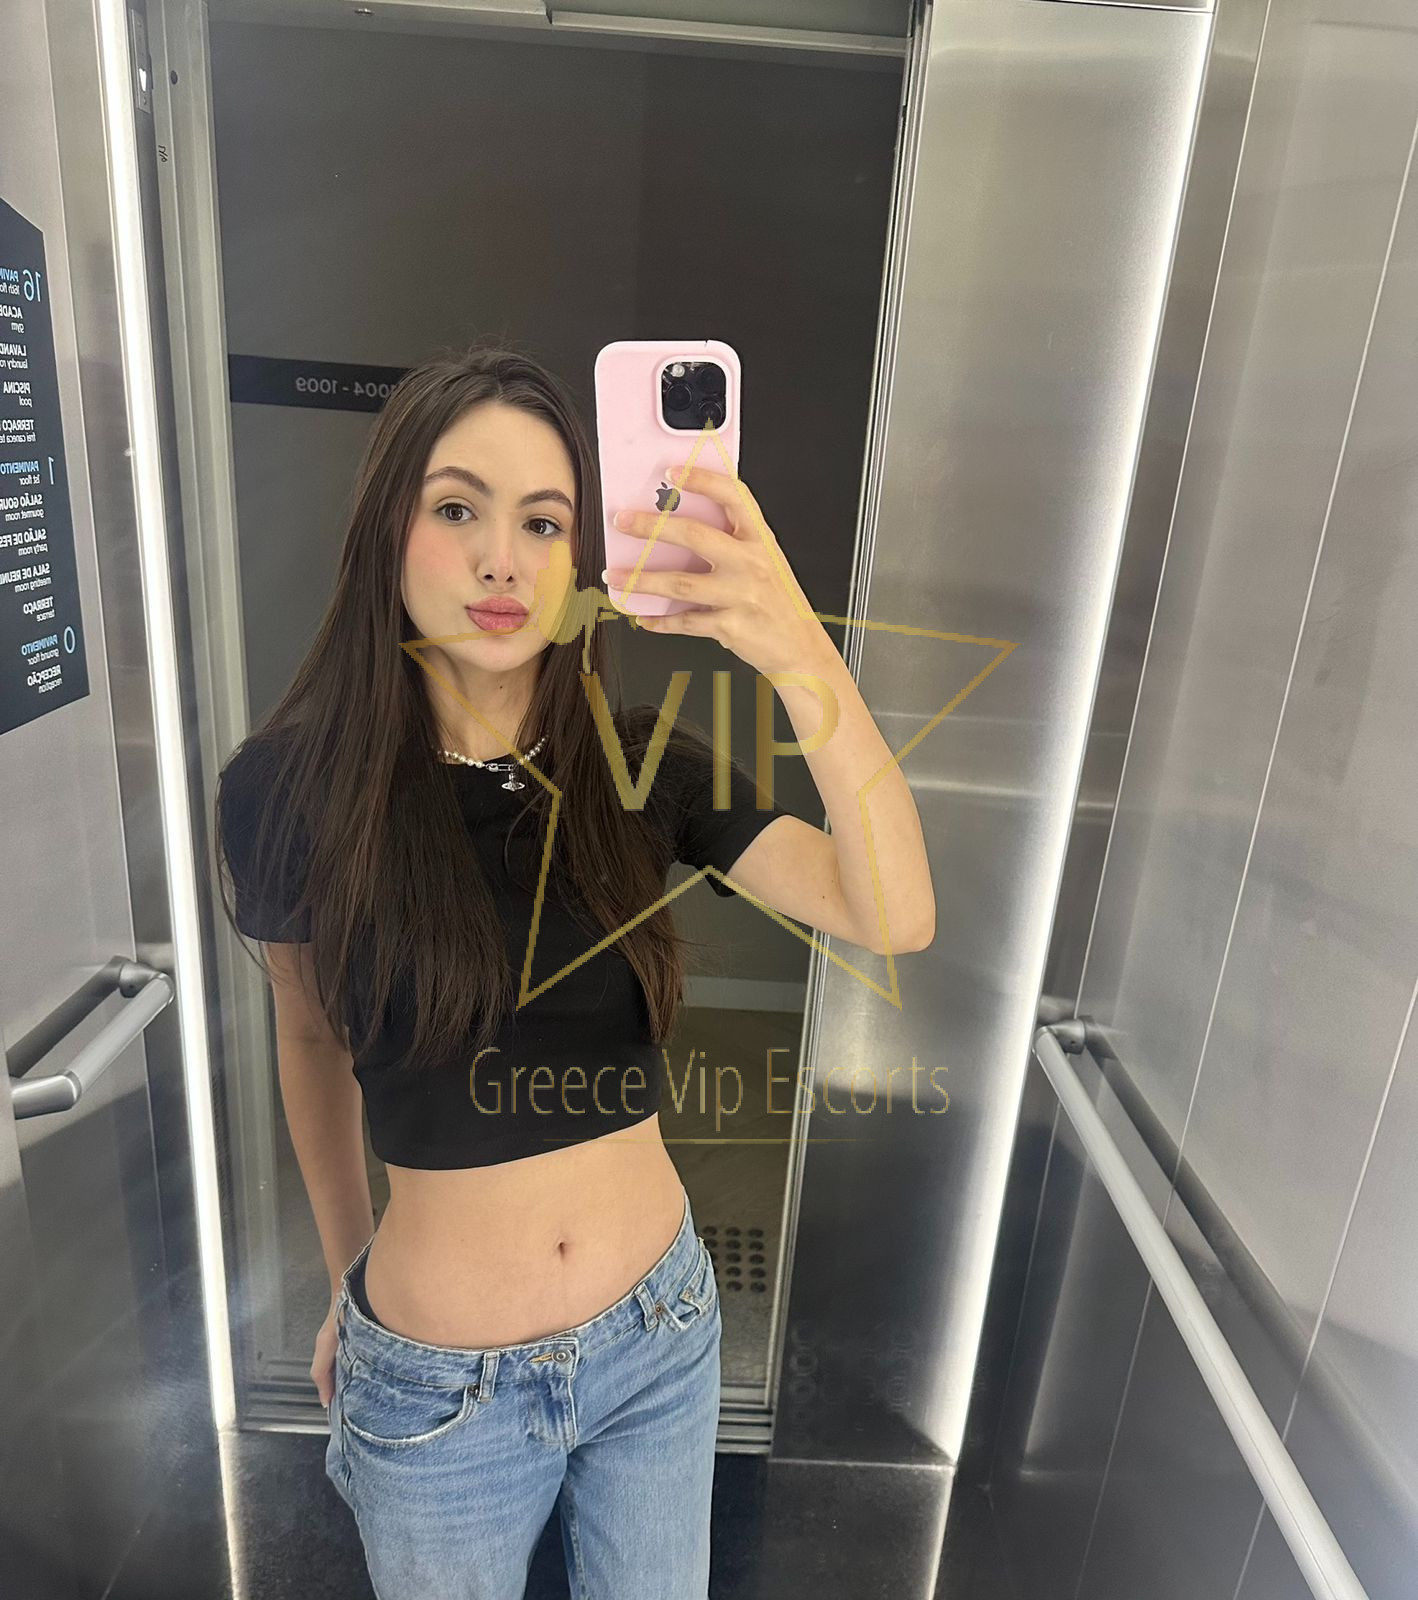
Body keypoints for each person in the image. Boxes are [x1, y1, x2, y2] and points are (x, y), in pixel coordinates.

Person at [213, 345, 935, 1599]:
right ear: (386, 532)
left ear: (578, 564)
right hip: (433, 1388)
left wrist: (795, 652)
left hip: (658, 1340)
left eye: (543, 523)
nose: (502, 559)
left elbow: (893, 913)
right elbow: (310, 1036)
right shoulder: (289, 793)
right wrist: (343, 1275)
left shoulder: (640, 765)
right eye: (457, 508)